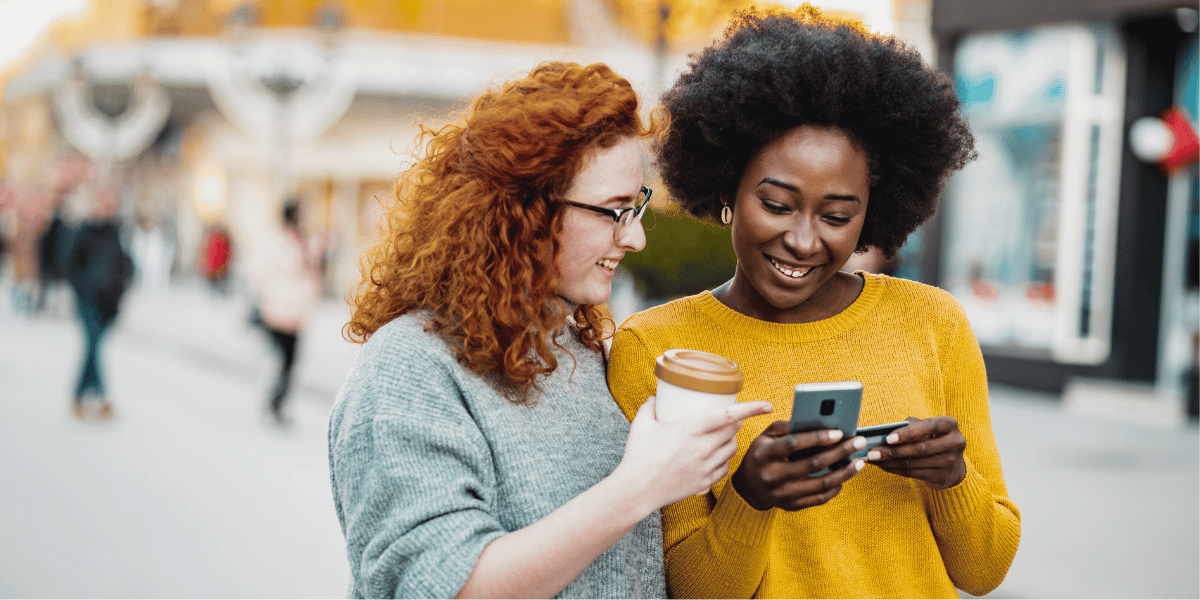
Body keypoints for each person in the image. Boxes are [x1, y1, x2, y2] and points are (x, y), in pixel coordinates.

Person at [607, 7, 1021, 599]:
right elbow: (690, 590)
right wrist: (750, 497)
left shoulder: (932, 322)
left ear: (873, 214)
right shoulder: (658, 348)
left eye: (836, 216)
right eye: (777, 205)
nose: (803, 241)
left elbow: (985, 571)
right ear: (727, 187)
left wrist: (952, 479)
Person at [327, 61, 771, 599]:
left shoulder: (580, 352)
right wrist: (639, 487)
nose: (636, 241)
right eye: (613, 211)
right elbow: (443, 587)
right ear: (523, 213)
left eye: (637, 208)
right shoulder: (409, 368)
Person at [64, 184, 133, 420]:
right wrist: (88, 284)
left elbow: (126, 264)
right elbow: (71, 266)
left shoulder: (117, 232)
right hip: (88, 299)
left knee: (94, 347)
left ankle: (82, 395)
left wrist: (121, 284)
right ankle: (98, 395)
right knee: (93, 346)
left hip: (108, 302)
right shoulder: (84, 231)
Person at [249, 198, 321, 424]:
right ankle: (274, 401)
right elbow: (262, 272)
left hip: (296, 314)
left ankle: (278, 402)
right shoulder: (277, 240)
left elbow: (310, 271)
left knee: (291, 363)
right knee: (282, 361)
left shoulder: (302, 240)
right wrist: (269, 299)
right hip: (277, 312)